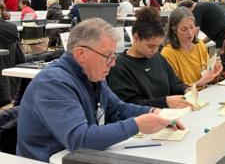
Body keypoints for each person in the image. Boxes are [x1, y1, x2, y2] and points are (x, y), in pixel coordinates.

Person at [16, 18, 184, 162]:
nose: (113, 63)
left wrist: (155, 112)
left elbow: (118, 109)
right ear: (81, 54)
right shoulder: (53, 83)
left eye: (114, 56)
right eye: (108, 56)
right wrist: (136, 125)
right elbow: (80, 140)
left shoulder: (92, 75)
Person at [108, 7, 219, 109]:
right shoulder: (119, 67)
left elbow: (174, 83)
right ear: (136, 38)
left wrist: (186, 89)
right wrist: (164, 102)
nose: (155, 50)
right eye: (150, 46)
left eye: (158, 46)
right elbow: (129, 105)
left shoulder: (157, 58)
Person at [161, 7, 222, 85]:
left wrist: (215, 73)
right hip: (185, 96)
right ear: (174, 30)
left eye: (192, 27)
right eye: (184, 29)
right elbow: (173, 88)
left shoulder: (200, 45)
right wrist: (199, 83)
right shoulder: (168, 53)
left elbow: (208, 78)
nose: (189, 32)